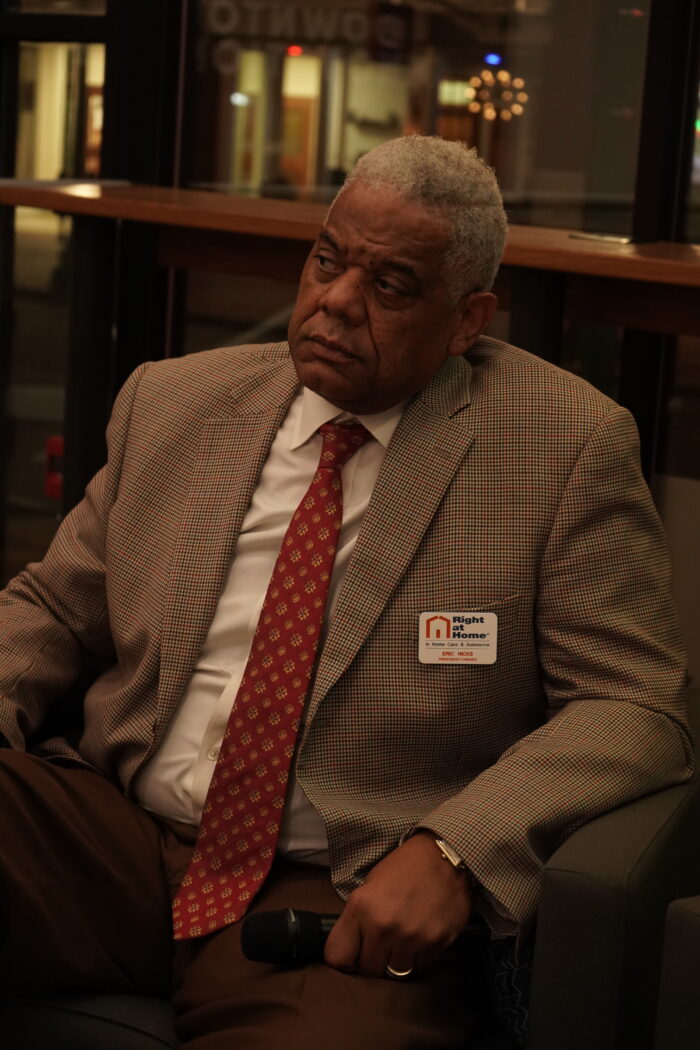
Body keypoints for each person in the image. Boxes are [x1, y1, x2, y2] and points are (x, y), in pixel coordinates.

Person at [0, 136, 691, 1049]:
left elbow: (634, 703)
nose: (335, 301)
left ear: (467, 318)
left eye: (391, 286)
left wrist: (454, 852)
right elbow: (53, 608)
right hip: (113, 838)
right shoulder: (173, 401)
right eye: (328, 261)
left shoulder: (562, 448)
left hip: (335, 893)